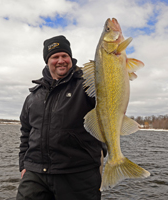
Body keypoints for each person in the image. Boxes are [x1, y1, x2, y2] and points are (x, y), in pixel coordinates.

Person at [16, 35, 106, 200]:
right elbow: (25, 132)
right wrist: (24, 164)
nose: (61, 60)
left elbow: (108, 110)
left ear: (71, 58)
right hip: (35, 173)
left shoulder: (88, 84)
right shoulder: (33, 96)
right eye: (55, 57)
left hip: (78, 173)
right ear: (47, 61)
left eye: (65, 55)